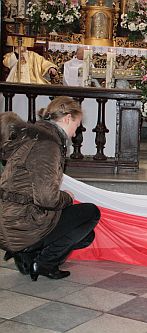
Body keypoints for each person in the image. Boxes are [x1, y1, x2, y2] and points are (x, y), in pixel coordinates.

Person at [0, 97, 100, 281]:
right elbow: (47, 199)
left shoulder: (34, 135)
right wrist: (67, 197)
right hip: (21, 224)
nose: (76, 132)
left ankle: (27, 254)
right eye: (77, 125)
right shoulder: (48, 144)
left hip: (9, 220)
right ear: (67, 118)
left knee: (86, 235)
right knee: (90, 213)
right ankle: (44, 263)